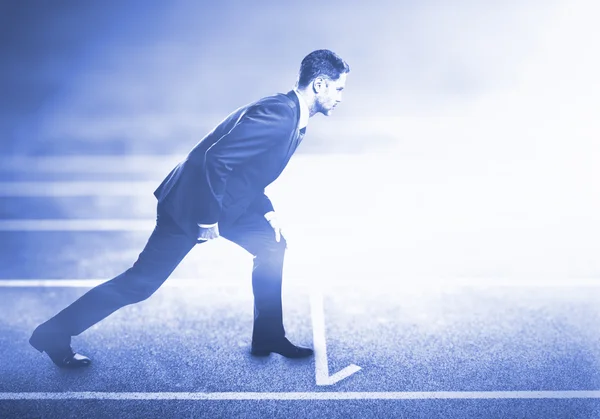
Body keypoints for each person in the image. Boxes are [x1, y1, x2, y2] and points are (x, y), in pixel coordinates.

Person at [29, 49, 350, 368]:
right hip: (192, 204)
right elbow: (217, 158)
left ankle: (267, 334)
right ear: (319, 84)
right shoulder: (279, 116)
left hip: (228, 202)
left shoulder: (292, 115)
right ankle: (53, 333)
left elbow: (249, 170)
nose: (340, 97)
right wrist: (208, 218)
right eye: (339, 89)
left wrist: (266, 209)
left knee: (272, 244)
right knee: (139, 284)